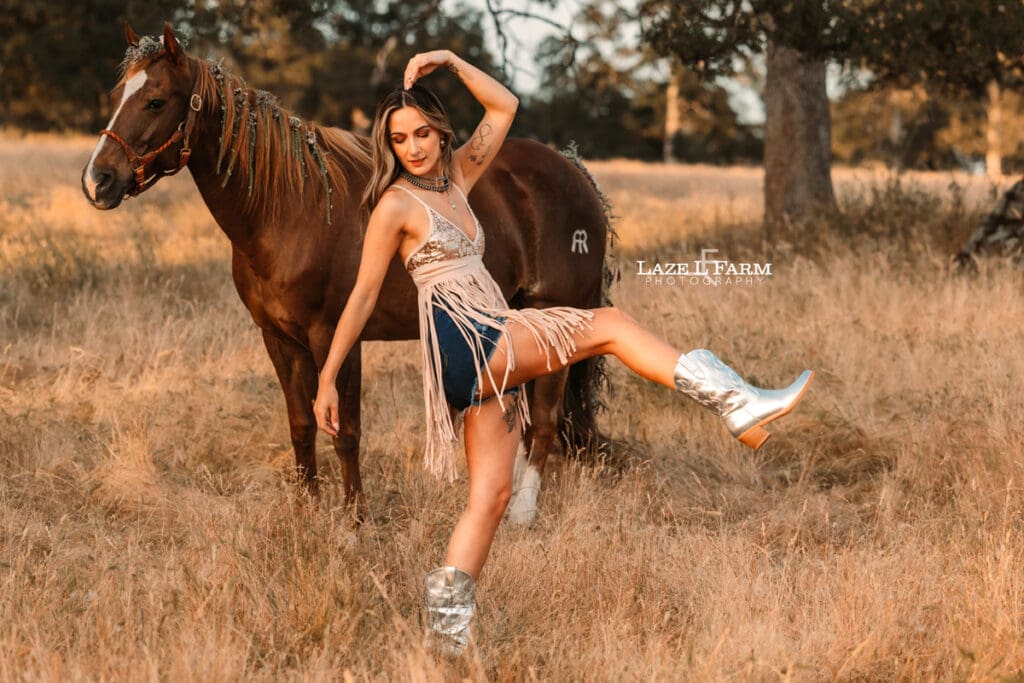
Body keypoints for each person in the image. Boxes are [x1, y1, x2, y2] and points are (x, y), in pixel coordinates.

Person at [313, 49, 813, 655]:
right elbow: (364, 294)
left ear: (442, 132)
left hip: (490, 339)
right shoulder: (396, 204)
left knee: (491, 497)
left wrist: (449, 60)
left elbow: (504, 105)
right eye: (399, 139)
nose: (412, 148)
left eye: (421, 133)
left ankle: (444, 634)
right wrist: (328, 377)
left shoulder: (459, 178)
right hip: (469, 342)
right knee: (609, 324)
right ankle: (736, 400)